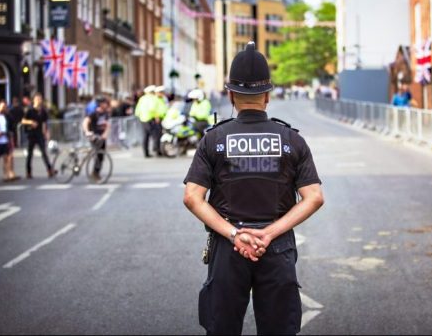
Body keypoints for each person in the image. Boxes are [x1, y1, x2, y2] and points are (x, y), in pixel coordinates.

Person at [183, 42, 324, 335]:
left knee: (222, 328)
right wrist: (269, 233)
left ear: (231, 95)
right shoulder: (291, 140)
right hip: (277, 247)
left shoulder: (213, 139)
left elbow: (192, 197)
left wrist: (236, 235)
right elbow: (314, 197)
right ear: (268, 96)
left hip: (228, 246)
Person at [22, 93, 56, 179]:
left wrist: (46, 133)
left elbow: (44, 123)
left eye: (40, 99)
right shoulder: (29, 110)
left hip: (39, 134)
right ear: (34, 100)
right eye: (37, 99)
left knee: (44, 153)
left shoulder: (43, 111)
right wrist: (31, 122)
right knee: (30, 154)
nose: (39, 101)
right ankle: (28, 172)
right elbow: (23, 121)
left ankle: (49, 170)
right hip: (31, 134)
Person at [83, 96, 110, 181]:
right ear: (100, 104)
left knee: (101, 156)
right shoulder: (94, 113)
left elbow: (108, 125)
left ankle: (96, 173)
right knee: (97, 155)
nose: (106, 104)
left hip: (102, 137)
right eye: (104, 103)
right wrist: (87, 131)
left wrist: (105, 133)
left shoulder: (105, 113)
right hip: (94, 136)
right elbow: (85, 122)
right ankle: (94, 174)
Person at [135, 85, 160, 157]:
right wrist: (156, 117)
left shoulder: (142, 99)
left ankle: (146, 153)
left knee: (145, 136)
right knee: (155, 135)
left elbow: (137, 110)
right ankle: (156, 149)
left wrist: (141, 117)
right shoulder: (153, 98)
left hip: (143, 119)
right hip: (150, 119)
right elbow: (153, 108)